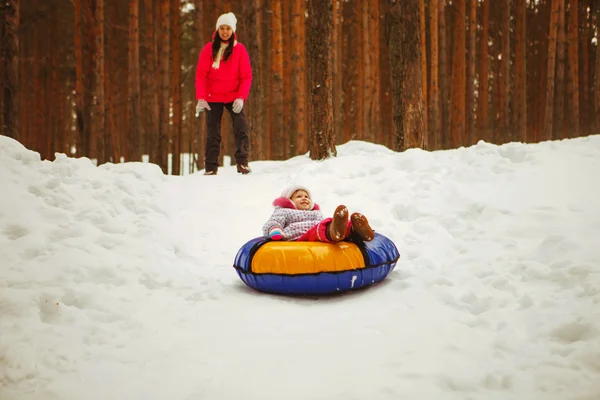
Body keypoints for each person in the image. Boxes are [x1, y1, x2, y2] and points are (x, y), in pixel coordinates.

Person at [195, 12, 253, 175]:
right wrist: (201, 97)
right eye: (222, 28)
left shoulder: (240, 50)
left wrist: (241, 97)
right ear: (217, 30)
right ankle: (211, 167)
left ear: (232, 30)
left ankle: (242, 163)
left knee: (241, 127)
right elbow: (201, 74)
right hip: (213, 97)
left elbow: (246, 76)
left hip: (234, 97)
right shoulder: (209, 49)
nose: (225, 31)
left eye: (228, 28)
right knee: (213, 132)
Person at [262, 185, 375, 243]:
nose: (304, 199)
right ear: (289, 200)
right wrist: (275, 230)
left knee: (328, 223)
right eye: (299, 196)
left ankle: (354, 230)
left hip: (320, 233)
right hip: (300, 238)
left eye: (307, 197)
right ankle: (334, 232)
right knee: (320, 229)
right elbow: (274, 222)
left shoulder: (315, 213)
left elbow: (323, 223)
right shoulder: (284, 211)